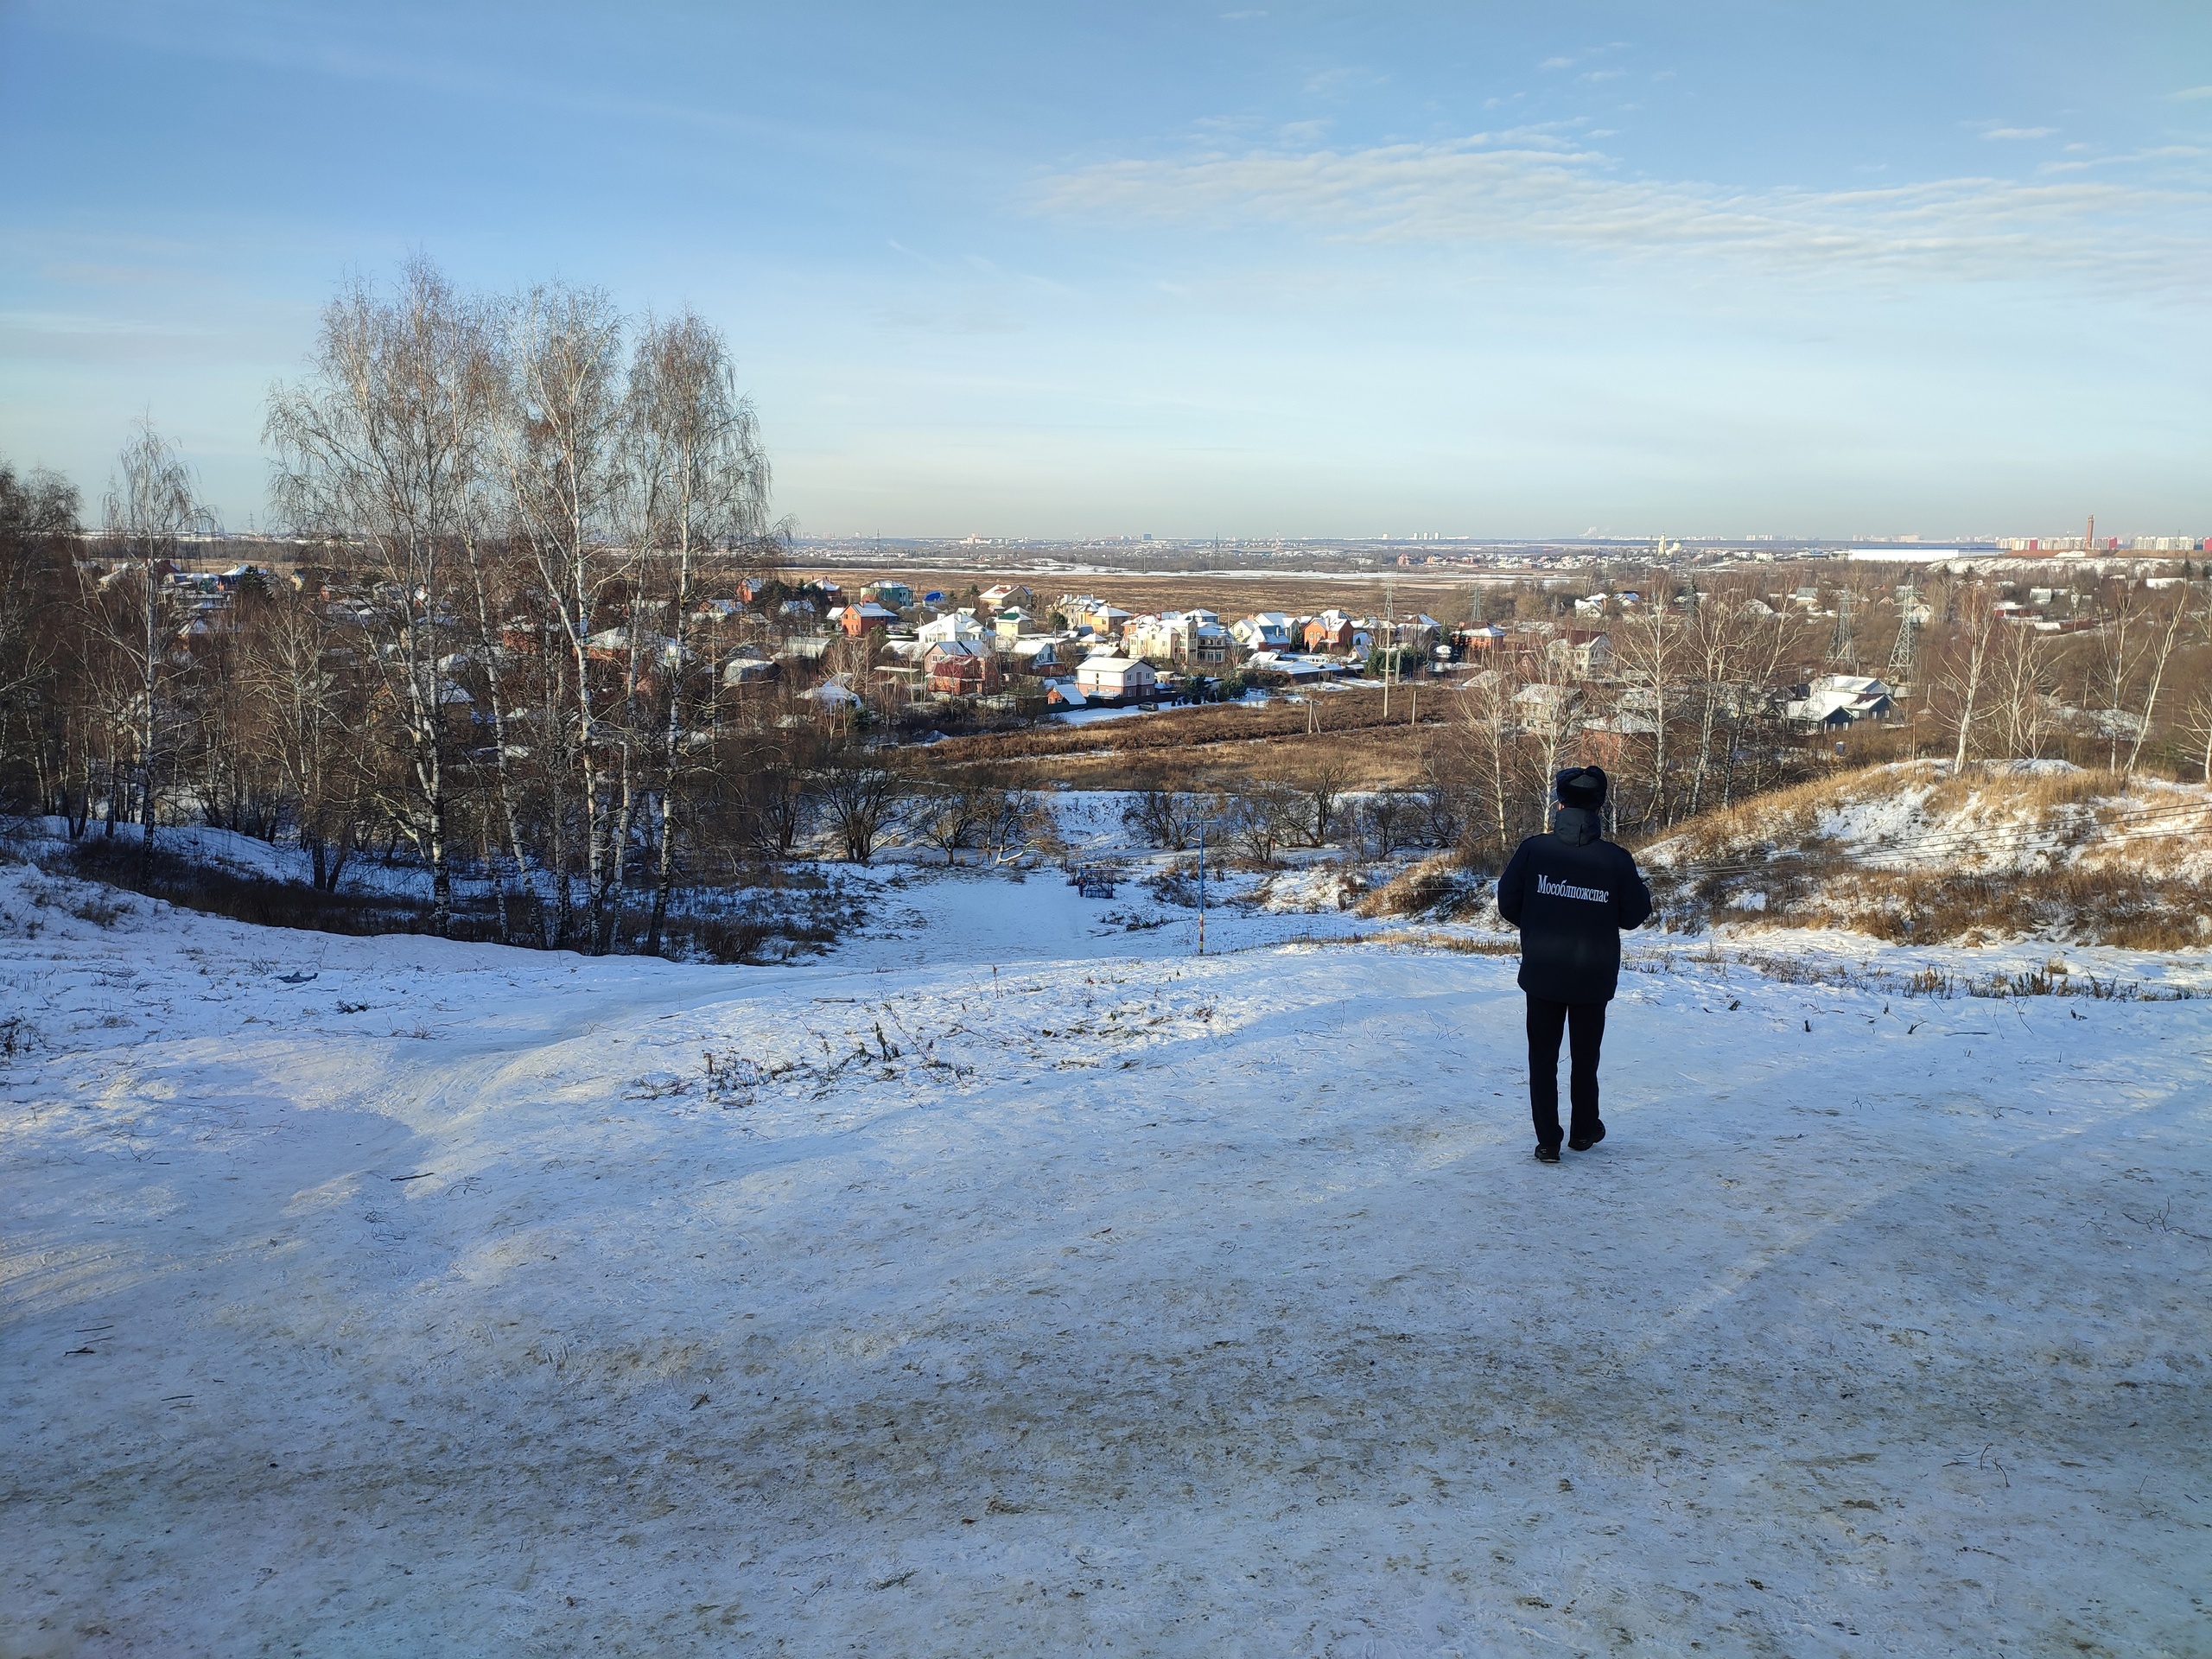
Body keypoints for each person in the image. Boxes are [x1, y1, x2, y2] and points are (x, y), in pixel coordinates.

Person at [1496, 766, 1654, 1163]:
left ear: (1559, 803)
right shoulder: (1616, 860)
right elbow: (1635, 913)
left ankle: (1548, 1141)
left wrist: (1540, 923)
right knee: (1586, 1058)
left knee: (1542, 1059)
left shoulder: (1533, 850)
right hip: (1593, 974)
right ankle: (1584, 1131)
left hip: (1543, 970)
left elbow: (1507, 903)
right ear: (1599, 808)